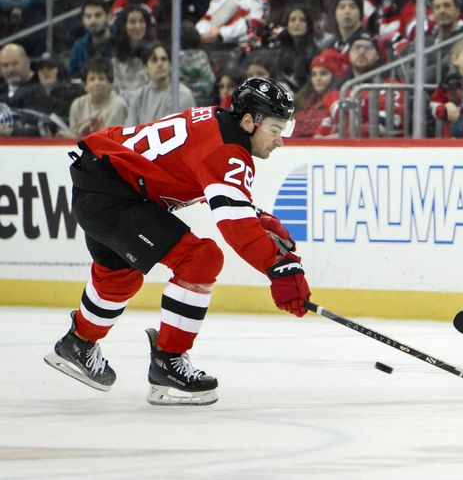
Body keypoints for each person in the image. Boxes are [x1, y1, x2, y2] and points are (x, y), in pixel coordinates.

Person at [44, 77, 312, 406]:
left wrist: (254, 216)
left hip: (103, 178)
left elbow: (199, 176)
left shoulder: (219, 123)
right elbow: (235, 225)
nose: (280, 141)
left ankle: (78, 343)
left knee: (118, 275)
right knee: (201, 259)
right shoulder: (229, 151)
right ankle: (168, 362)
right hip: (115, 193)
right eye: (275, 129)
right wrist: (280, 267)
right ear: (248, 121)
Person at [126, 42, 196, 126]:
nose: (160, 64)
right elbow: (129, 131)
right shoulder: (138, 97)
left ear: (170, 65)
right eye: (154, 60)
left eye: (164, 59)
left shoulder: (183, 95)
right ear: (145, 68)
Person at [11, 56, 83, 124]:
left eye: (50, 67)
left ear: (60, 70)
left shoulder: (75, 94)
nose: (45, 71)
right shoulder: (25, 94)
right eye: (41, 68)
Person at [69, 57, 128, 139]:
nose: (97, 83)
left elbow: (113, 139)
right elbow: (72, 137)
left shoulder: (118, 105)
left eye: (101, 78)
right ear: (85, 85)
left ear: (110, 83)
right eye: (92, 79)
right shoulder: (78, 105)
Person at [112, 4, 155, 105]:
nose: (137, 26)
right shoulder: (116, 58)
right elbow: (115, 89)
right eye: (132, 22)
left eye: (141, 21)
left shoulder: (155, 53)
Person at [68, 0, 114, 78]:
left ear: (109, 16)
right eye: (88, 16)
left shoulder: (122, 41)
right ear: (83, 20)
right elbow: (73, 77)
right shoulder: (79, 46)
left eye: (98, 15)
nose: (93, 21)